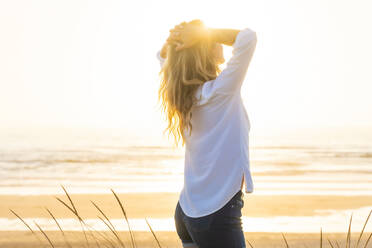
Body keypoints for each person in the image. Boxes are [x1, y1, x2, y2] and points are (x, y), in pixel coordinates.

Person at [156, 19, 257, 248]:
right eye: (212, 40)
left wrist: (177, 39)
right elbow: (248, 39)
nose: (220, 43)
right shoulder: (221, 91)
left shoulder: (184, 94)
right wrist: (206, 33)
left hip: (187, 212)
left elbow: (162, 56)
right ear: (206, 47)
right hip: (217, 215)